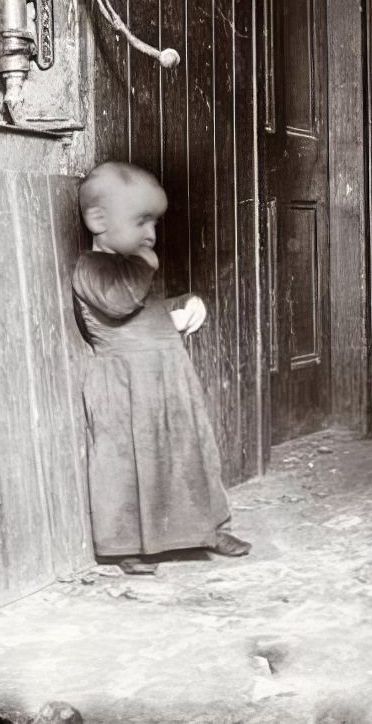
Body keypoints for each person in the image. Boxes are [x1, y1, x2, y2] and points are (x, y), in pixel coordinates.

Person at [72, 161, 250, 576]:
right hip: (124, 383)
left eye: (153, 223)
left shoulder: (130, 267)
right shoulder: (92, 268)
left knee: (191, 451)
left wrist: (182, 307)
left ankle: (208, 528)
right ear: (97, 220)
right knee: (126, 462)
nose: (150, 234)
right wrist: (145, 265)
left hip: (167, 374)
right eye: (139, 221)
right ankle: (126, 546)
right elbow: (119, 304)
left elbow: (144, 311)